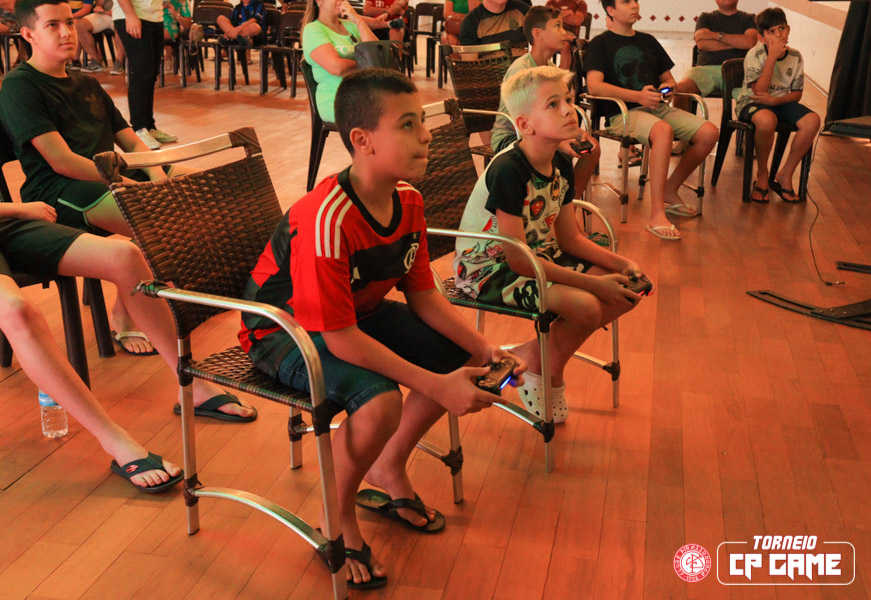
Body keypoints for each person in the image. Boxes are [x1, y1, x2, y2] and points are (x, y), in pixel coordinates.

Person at [240, 68, 525, 589]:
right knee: (380, 403)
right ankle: (335, 515)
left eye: (422, 122)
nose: (427, 135)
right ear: (362, 140)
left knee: (460, 357)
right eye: (408, 124)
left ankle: (388, 466)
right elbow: (337, 337)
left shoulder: (408, 199)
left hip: (356, 314)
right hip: (285, 331)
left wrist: (486, 349)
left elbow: (423, 294)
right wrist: (436, 385)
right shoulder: (328, 218)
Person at [0, 208, 257, 493]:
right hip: (12, 213)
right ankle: (113, 439)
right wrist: (18, 208)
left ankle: (191, 383)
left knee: (125, 255)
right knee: (17, 311)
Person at [455, 66, 640, 423]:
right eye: (553, 104)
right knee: (587, 306)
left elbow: (570, 238)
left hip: (537, 254)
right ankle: (549, 370)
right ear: (525, 125)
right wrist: (594, 283)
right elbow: (518, 261)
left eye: (568, 100)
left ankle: (533, 355)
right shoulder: (509, 170)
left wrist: (621, 264)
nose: (569, 109)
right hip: (489, 270)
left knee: (630, 288)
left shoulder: (560, 162)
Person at [0, 0, 176, 355]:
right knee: (155, 215)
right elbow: (62, 161)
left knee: (196, 188)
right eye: (52, 25)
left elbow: (131, 141)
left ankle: (165, 289)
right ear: (29, 34)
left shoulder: (87, 82)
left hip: (105, 177)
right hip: (59, 191)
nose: (67, 32)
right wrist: (130, 186)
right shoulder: (20, 86)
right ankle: (124, 314)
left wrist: (157, 172)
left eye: (69, 22)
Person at [584, 0, 719, 240]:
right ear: (610, 10)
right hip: (622, 113)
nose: (634, 5)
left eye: (635, 0)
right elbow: (594, 86)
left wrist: (667, 89)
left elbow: (669, 80)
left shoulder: (648, 41)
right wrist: (638, 96)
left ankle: (670, 189)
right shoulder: (600, 44)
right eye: (626, 2)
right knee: (663, 130)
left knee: (709, 132)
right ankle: (657, 214)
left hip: (657, 108)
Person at [490, 6, 600, 202]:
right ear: (537, 34)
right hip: (513, 135)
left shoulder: (550, 69)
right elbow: (523, 122)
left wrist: (575, 133)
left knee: (592, 148)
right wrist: (559, 141)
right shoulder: (522, 71)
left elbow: (554, 112)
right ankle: (558, 204)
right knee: (562, 154)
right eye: (557, 26)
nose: (564, 32)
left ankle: (569, 202)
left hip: (540, 132)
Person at [735, 8, 819, 203]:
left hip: (780, 101)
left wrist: (775, 101)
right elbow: (759, 91)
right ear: (761, 37)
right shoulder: (754, 55)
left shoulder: (795, 56)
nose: (779, 35)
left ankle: (785, 174)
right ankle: (762, 174)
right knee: (766, 120)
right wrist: (771, 58)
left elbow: (796, 94)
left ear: (788, 29)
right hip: (752, 102)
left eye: (782, 28)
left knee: (812, 121)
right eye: (772, 31)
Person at [672, 0, 756, 153]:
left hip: (739, 71)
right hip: (705, 70)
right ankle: (681, 139)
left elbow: (749, 42)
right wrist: (736, 42)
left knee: (754, 95)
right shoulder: (706, 17)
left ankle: (748, 140)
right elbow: (702, 44)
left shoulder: (749, 18)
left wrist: (715, 36)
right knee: (680, 90)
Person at [113, 0, 176, 149]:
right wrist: (131, 15)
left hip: (154, 17)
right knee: (141, 74)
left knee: (151, 74)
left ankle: (149, 126)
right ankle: (139, 128)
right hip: (133, 16)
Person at [302, 0, 378, 123]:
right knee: (384, 116)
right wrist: (368, 63)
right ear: (319, 1)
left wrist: (358, 20)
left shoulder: (351, 25)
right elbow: (338, 68)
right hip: (336, 99)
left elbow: (377, 53)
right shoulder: (313, 30)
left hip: (365, 93)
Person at [458, 0, 530, 56]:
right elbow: (470, 66)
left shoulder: (521, 8)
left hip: (526, 68)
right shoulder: (471, 22)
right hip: (491, 70)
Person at [74, 0, 116, 72]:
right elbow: (99, 3)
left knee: (121, 24)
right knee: (80, 25)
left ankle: (120, 62)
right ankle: (95, 61)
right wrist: (98, 6)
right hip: (104, 14)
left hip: (122, 15)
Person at [544, 0, 586, 68]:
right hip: (553, 31)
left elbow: (577, 21)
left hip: (569, 33)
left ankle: (563, 73)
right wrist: (569, 12)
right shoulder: (551, 2)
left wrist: (557, 17)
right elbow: (547, 19)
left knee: (565, 45)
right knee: (543, 43)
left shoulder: (580, 3)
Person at [162, 0, 191, 72]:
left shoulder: (182, 2)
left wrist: (175, 14)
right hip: (153, 23)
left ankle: (167, 57)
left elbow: (187, 24)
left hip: (171, 26)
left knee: (157, 33)